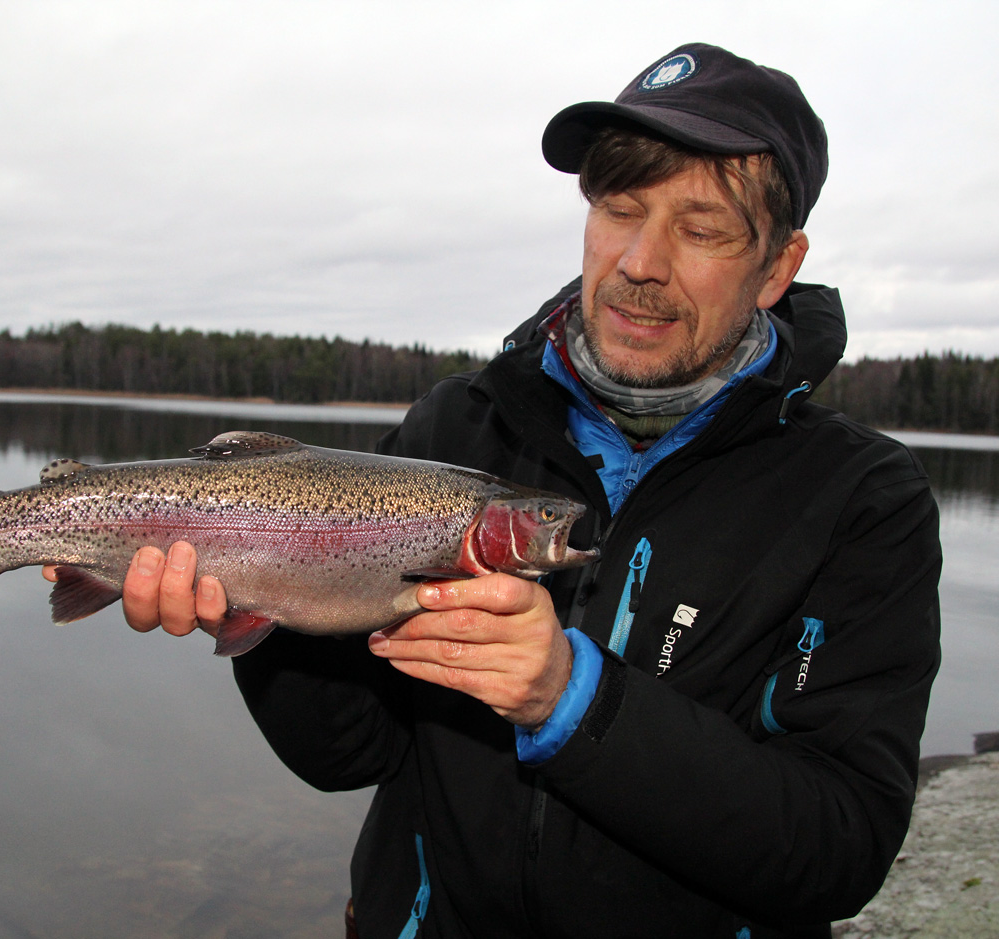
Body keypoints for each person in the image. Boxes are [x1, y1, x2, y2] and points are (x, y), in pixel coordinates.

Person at [90, 43, 942, 938]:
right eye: (619, 209)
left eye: (700, 229)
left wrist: (572, 700)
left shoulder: (862, 499)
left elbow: (840, 847)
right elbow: (349, 754)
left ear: (777, 266)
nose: (639, 261)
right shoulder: (455, 429)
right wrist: (256, 606)